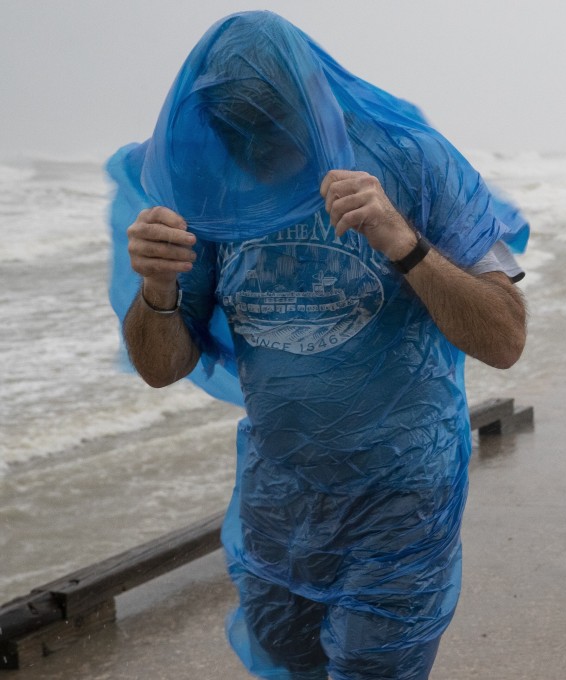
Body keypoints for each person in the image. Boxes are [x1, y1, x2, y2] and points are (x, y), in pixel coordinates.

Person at [107, 11, 529, 679]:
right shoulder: (206, 183)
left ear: (313, 97)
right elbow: (162, 366)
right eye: (236, 132)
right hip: (281, 504)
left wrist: (403, 243)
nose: (255, 153)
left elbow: (505, 336)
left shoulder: (411, 160)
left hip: (402, 497)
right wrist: (158, 287)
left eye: (270, 128)